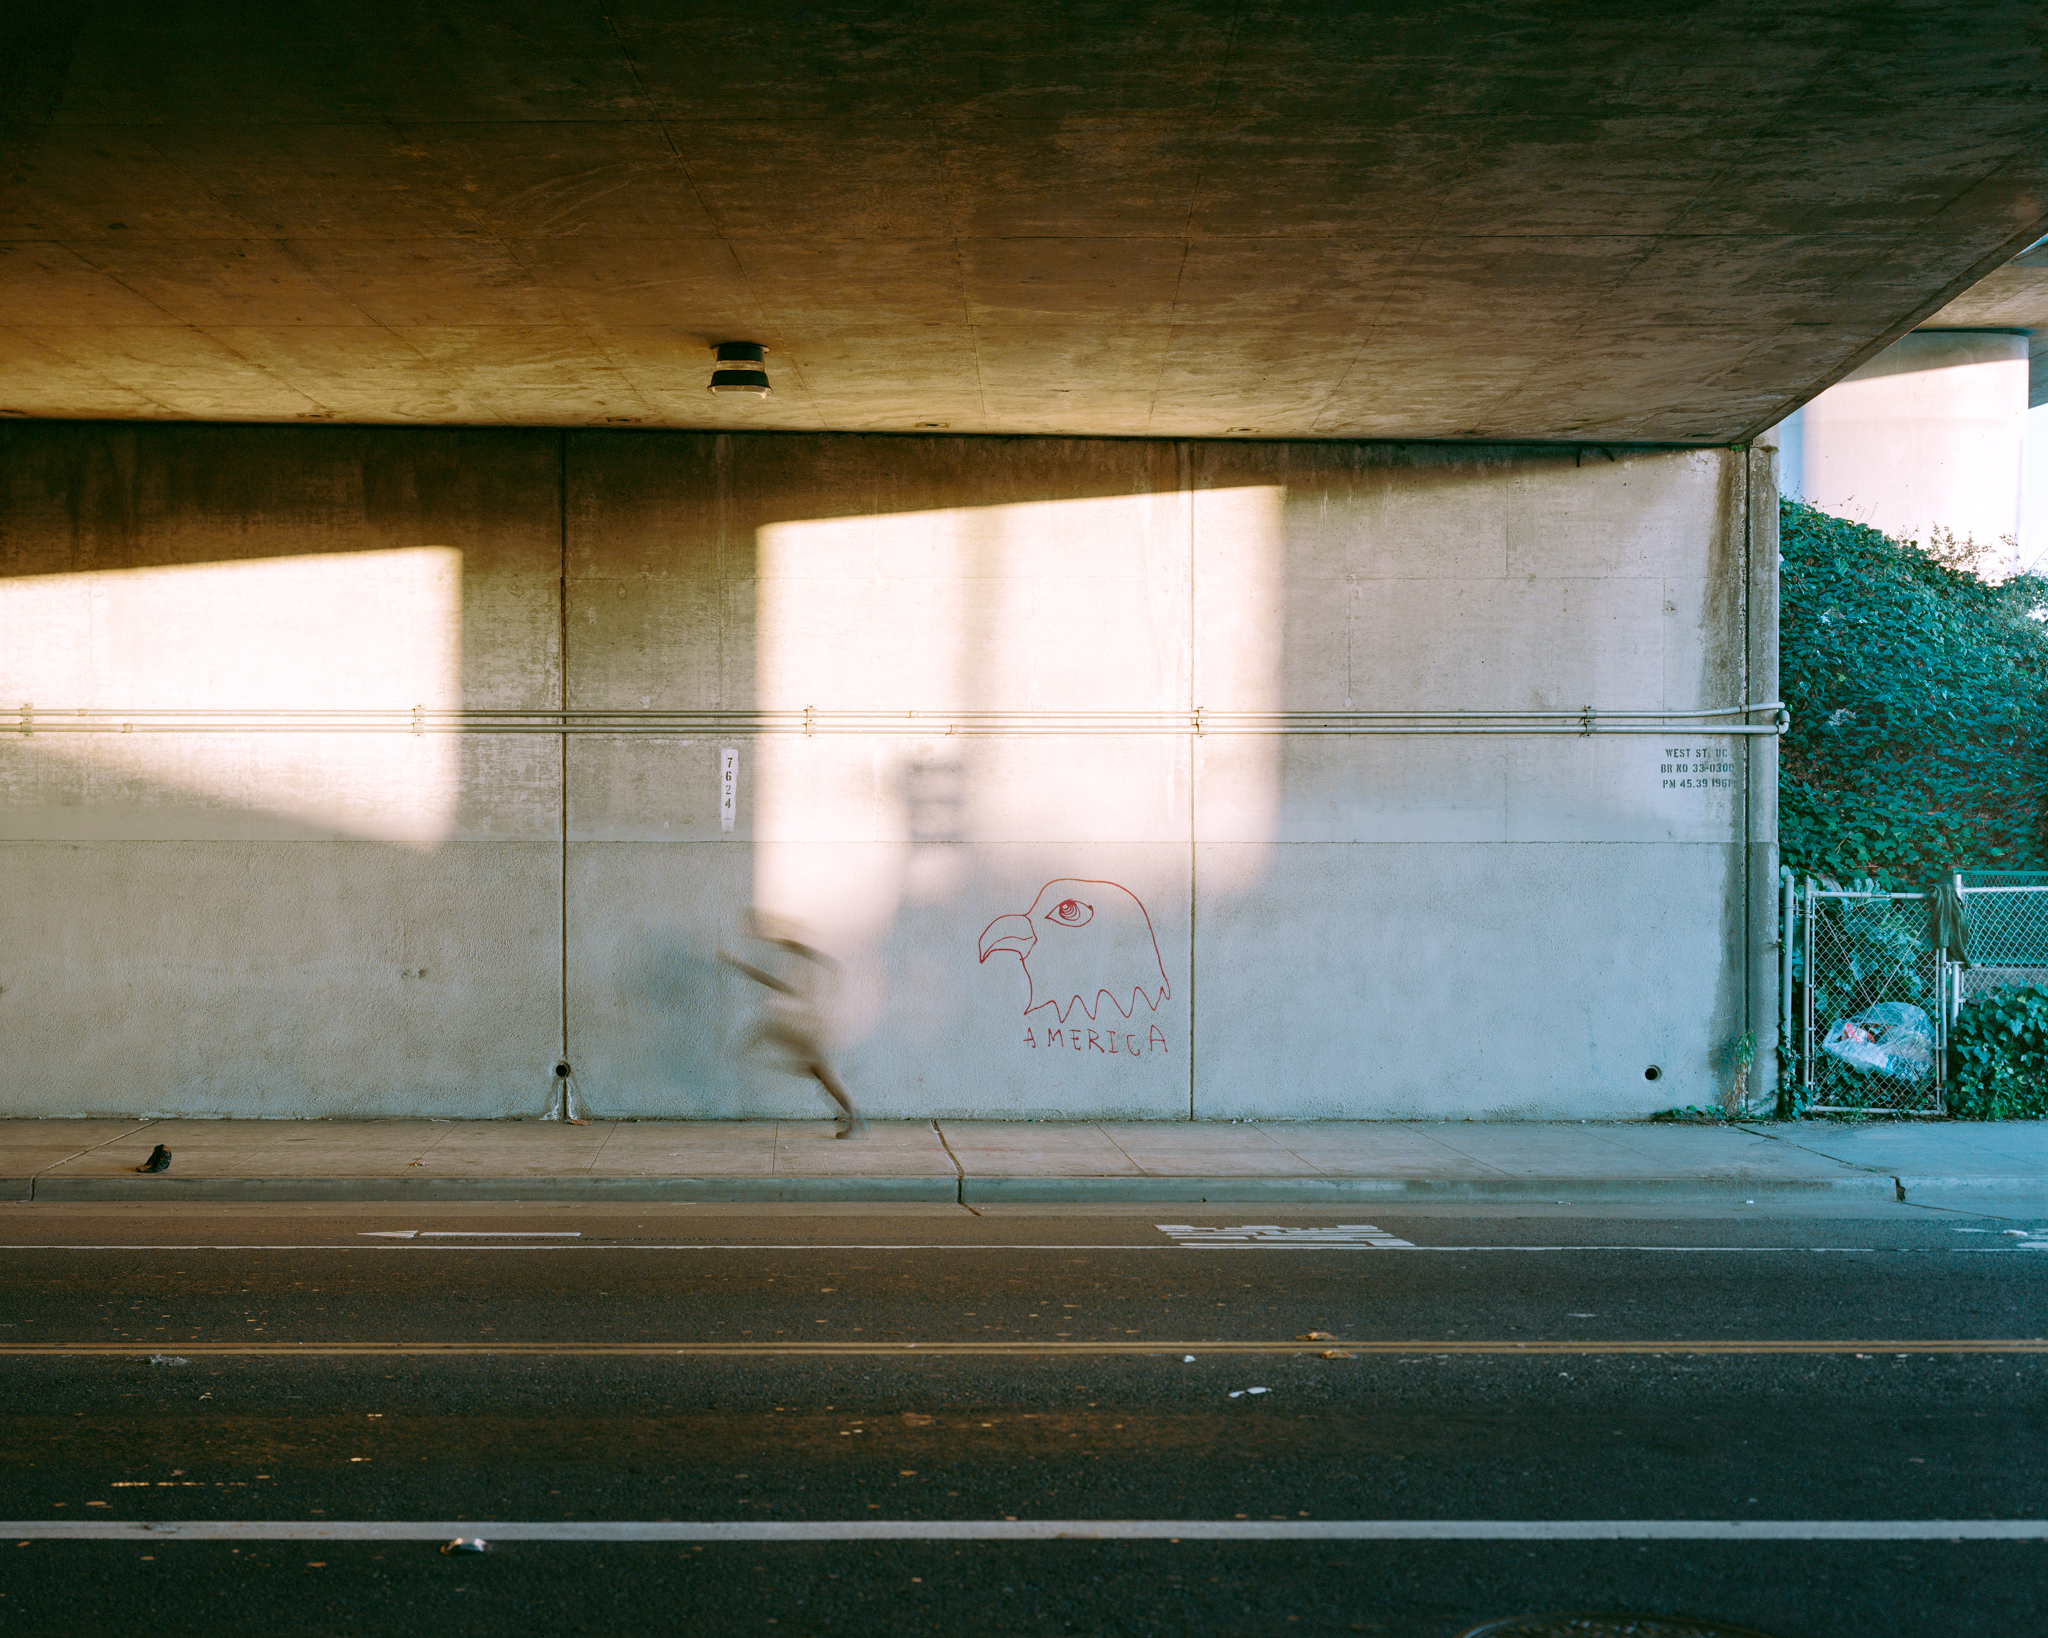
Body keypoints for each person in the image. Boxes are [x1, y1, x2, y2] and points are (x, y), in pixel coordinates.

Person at [719, 915, 867, 1138]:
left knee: (819, 1069)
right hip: (810, 1025)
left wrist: (742, 965)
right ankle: (855, 1117)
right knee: (822, 1073)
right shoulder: (805, 958)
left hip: (811, 1027)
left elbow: (782, 986)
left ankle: (856, 1118)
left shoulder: (804, 959)